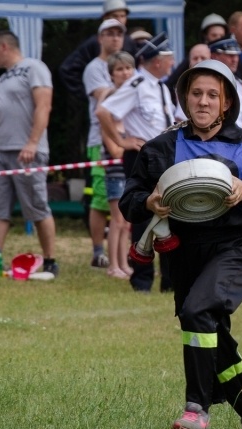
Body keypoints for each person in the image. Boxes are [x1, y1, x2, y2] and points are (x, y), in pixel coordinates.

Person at [119, 59, 242, 429]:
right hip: (184, 252)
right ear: (185, 98)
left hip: (235, 247)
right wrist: (148, 202)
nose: (203, 101)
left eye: (212, 95)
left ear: (226, 102)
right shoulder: (162, 147)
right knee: (208, 327)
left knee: (198, 311)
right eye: (196, 93)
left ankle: (196, 409)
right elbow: (129, 200)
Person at [0, 30, 59, 276]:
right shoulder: (4, 77)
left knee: (37, 206)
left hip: (27, 150)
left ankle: (50, 260)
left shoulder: (34, 67)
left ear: (3, 46)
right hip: (0, 149)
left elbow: (44, 105)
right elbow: (9, 112)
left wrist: (32, 143)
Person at [96, 32, 175, 292]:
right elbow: (103, 111)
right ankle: (141, 279)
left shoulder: (161, 87)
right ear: (157, 61)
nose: (173, 63)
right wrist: (121, 141)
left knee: (170, 214)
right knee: (143, 217)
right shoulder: (138, 84)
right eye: (169, 58)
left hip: (167, 158)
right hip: (143, 157)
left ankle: (170, 279)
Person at [83, 18, 127, 270]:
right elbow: (105, 97)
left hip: (124, 138)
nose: (115, 38)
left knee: (123, 201)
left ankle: (121, 253)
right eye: (109, 33)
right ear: (100, 38)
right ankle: (98, 252)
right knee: (101, 197)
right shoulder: (94, 68)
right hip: (100, 140)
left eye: (119, 33)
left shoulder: (127, 66)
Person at [99, 51, 136, 279]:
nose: (125, 73)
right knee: (117, 220)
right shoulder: (108, 112)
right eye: (120, 69)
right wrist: (130, 144)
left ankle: (124, 263)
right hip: (115, 172)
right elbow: (114, 150)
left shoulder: (133, 109)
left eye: (128, 68)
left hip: (129, 172)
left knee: (126, 223)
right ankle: (113, 265)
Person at [58, 0, 136, 99]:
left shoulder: (130, 42)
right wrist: (88, 92)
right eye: (115, 16)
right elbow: (68, 69)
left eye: (123, 16)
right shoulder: (93, 51)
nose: (119, 20)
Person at [164, 13, 226, 103]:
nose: (218, 39)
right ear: (205, 35)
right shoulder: (197, 52)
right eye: (214, 35)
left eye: (221, 36)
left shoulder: (228, 55)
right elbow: (171, 83)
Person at [208, 37, 242, 129]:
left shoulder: (239, 84)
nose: (235, 60)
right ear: (214, 56)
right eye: (230, 55)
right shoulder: (204, 83)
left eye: (236, 55)